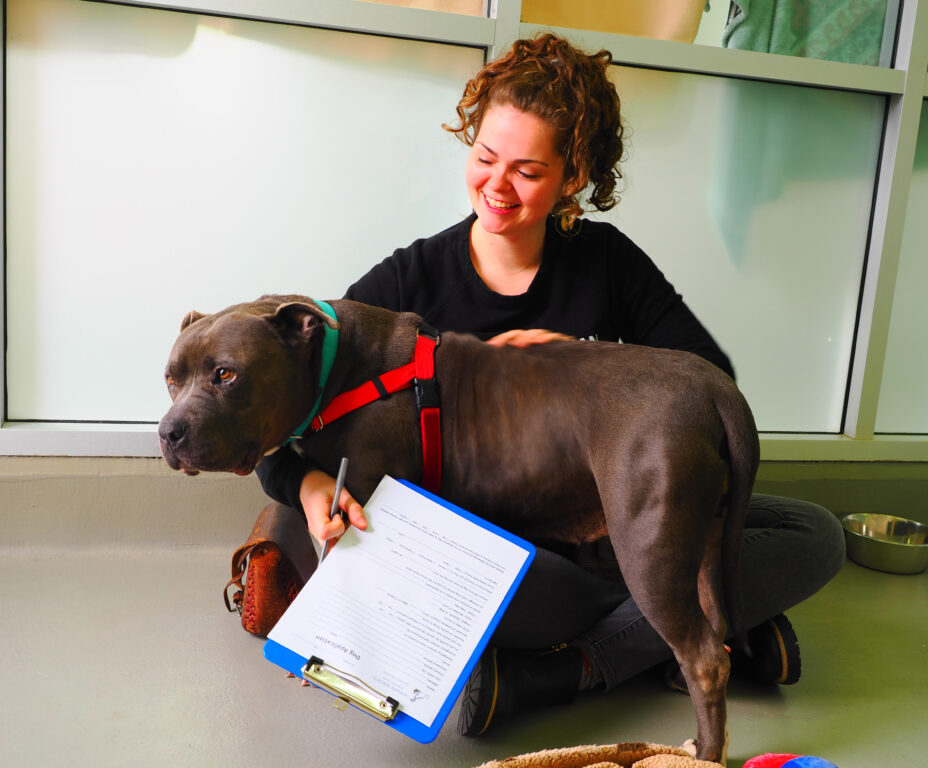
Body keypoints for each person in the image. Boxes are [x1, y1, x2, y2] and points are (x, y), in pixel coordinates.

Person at [256, 33, 845, 737]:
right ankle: (694, 630)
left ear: (573, 175)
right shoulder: (407, 285)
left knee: (814, 534)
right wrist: (311, 487)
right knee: (551, 589)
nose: (497, 187)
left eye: (528, 171)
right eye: (484, 158)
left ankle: (581, 662)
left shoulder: (605, 261)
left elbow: (706, 377)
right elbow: (278, 429)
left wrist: (577, 361)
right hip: (490, 547)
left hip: (617, 516)